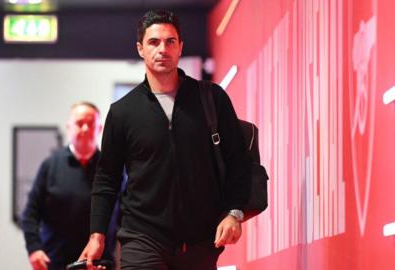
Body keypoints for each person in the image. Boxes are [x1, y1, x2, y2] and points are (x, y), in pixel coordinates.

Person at [79, 10, 251, 270]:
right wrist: (97, 235)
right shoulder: (123, 111)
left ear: (180, 47)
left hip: (200, 240)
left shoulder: (211, 99)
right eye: (154, 42)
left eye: (170, 41)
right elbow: (106, 179)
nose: (163, 49)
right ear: (140, 49)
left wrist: (234, 212)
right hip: (142, 237)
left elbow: (238, 160)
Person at [22, 102, 117, 270]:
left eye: (91, 123)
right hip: (56, 262)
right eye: (80, 123)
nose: (85, 128)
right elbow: (30, 214)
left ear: (100, 128)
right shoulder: (50, 165)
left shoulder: (111, 168)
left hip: (97, 264)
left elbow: (125, 213)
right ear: (69, 127)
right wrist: (34, 248)